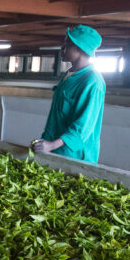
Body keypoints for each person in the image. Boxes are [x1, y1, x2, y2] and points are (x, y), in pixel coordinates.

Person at [32, 25, 106, 163]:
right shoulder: (69, 74)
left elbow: (83, 126)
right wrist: (46, 142)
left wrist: (52, 145)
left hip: (74, 155)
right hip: (54, 148)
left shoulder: (92, 81)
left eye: (67, 44)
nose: (62, 48)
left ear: (79, 48)